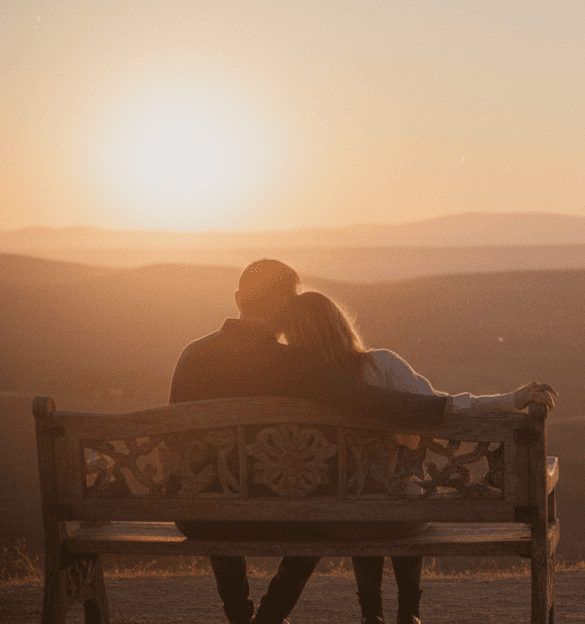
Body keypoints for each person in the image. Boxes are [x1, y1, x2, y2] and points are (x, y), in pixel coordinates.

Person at [169, 260, 556, 624]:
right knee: (320, 512)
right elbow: (389, 405)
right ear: (287, 310)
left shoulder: (191, 355)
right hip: (275, 513)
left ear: (238, 300)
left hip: (197, 515)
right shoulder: (291, 364)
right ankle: (269, 617)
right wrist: (503, 401)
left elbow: (176, 446)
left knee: (217, 486)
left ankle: (239, 614)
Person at [283, 290, 555, 624]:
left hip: (334, 517)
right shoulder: (381, 365)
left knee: (361, 498)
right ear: (340, 325)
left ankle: (372, 614)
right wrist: (510, 399)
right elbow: (444, 407)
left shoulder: (293, 386)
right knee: (398, 492)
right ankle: (409, 612)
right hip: (400, 516)